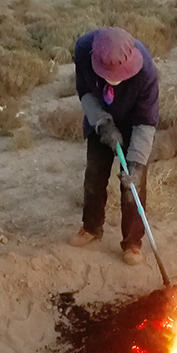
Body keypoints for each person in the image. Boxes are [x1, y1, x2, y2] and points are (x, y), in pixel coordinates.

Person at [68, 27, 159, 266]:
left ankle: (132, 243)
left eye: (121, 73)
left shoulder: (146, 70)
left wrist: (137, 163)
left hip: (134, 122)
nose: (115, 78)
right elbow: (85, 91)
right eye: (109, 73)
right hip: (100, 117)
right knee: (94, 175)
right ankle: (91, 227)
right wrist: (102, 124)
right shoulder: (82, 49)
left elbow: (147, 121)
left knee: (132, 185)